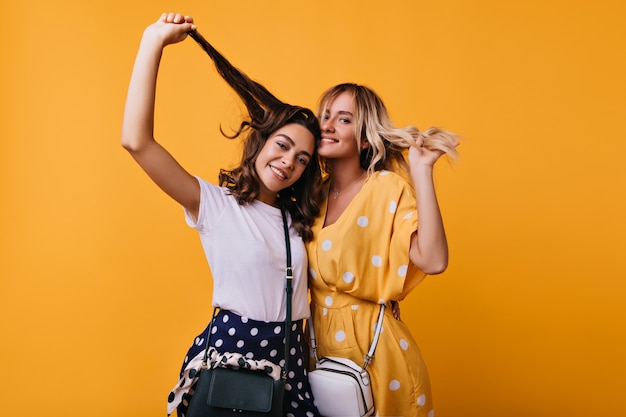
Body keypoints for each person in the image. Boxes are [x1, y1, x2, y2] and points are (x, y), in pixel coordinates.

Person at [120, 12, 323, 417]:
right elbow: (136, 142)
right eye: (282, 145)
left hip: (291, 365)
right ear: (261, 141)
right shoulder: (216, 205)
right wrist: (153, 42)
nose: (289, 162)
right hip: (232, 366)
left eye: (302, 159)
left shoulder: (297, 223)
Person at [305, 83, 459, 417]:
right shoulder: (312, 195)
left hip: (377, 352)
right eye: (325, 116)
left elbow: (433, 260)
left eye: (344, 119)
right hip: (316, 349)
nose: (328, 125)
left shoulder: (386, 187)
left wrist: (421, 170)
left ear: (364, 137)